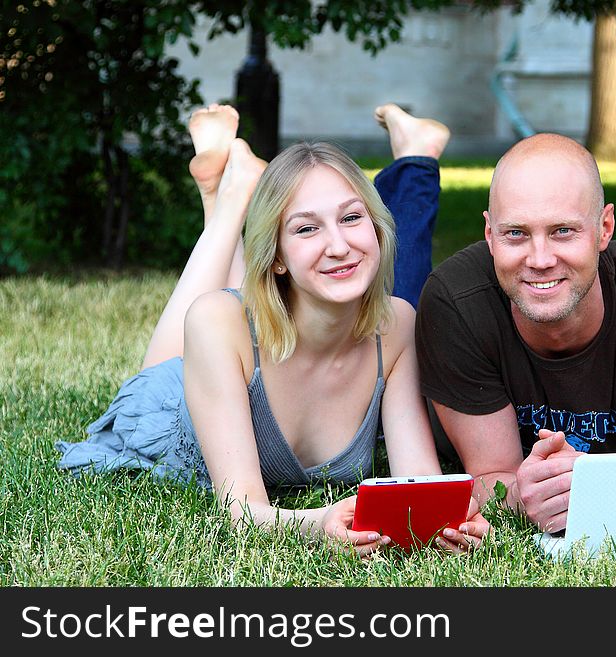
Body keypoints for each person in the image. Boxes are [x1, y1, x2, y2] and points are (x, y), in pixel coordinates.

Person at [56, 103, 489, 556]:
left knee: (237, 311)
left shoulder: (396, 324)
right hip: (170, 405)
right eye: (307, 229)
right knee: (212, 313)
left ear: (378, 229)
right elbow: (244, 515)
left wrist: (449, 524)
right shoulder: (219, 325)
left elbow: (417, 483)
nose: (340, 246)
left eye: (351, 218)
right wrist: (320, 522)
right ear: (277, 256)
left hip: (253, 335)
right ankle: (225, 200)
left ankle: (228, 182)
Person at [415, 133, 616, 534]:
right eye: (516, 233)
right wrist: (520, 493)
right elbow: (491, 474)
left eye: (563, 231)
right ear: (489, 235)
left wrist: (599, 485)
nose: (540, 259)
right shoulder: (455, 302)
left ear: (604, 228)